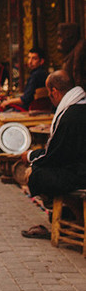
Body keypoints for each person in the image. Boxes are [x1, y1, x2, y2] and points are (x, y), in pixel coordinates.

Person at [21, 70, 86, 239]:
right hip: (79, 168)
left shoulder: (69, 116)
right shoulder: (81, 106)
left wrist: (30, 157)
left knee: (35, 174)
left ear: (54, 92)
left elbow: (54, 156)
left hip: (80, 174)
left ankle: (78, 216)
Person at [0, 46, 47, 162]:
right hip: (35, 108)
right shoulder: (41, 73)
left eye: (34, 58)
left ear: (41, 61)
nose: (30, 61)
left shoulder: (36, 75)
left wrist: (8, 102)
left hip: (28, 111)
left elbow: (25, 99)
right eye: (29, 58)